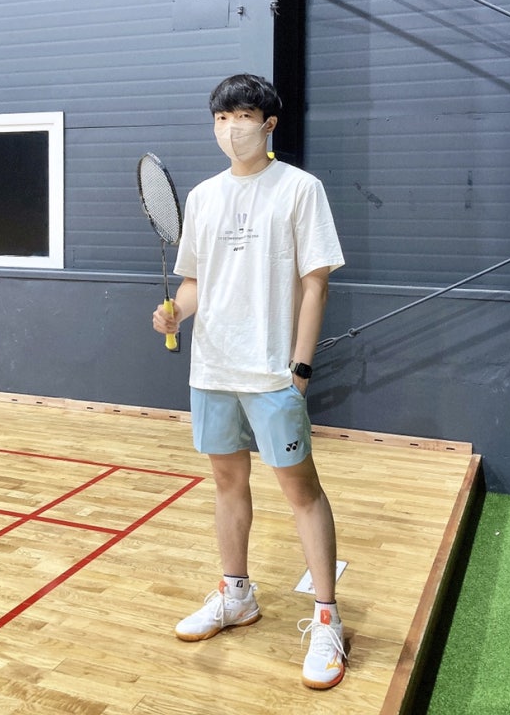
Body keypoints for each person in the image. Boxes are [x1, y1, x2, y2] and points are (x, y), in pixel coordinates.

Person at [152, 73, 346, 690]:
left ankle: (327, 618)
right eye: (221, 118)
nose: (231, 128)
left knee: (301, 491)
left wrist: (300, 368)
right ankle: (236, 595)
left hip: (272, 372)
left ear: (268, 124)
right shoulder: (203, 196)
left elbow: (316, 283)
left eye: (242, 116)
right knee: (227, 484)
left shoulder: (300, 188)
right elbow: (195, 284)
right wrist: (174, 312)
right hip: (212, 369)